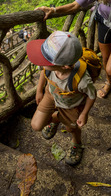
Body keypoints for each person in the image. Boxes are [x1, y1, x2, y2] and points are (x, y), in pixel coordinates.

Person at [27, 30, 97, 166]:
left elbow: (91, 95)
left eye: (45, 60)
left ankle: (76, 143)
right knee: (36, 125)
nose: (41, 63)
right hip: (51, 95)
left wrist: (84, 114)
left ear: (64, 66)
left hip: (71, 105)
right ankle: (58, 118)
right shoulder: (50, 68)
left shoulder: (82, 81)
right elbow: (44, 71)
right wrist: (39, 90)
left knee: (72, 128)